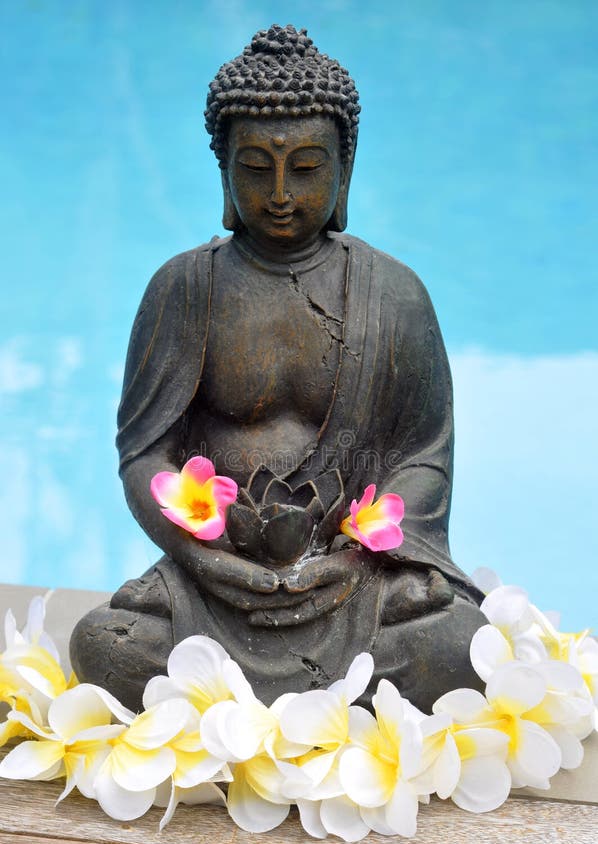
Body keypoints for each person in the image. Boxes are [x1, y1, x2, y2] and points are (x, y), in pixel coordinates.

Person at [70, 25, 486, 712]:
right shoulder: (184, 290)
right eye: (257, 169)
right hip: (216, 585)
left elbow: (424, 456)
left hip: (353, 579)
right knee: (106, 643)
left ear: (344, 170)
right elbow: (144, 453)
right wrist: (204, 558)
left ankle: (236, 706)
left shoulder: (397, 295)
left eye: (308, 168)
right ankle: (331, 705)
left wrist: (354, 556)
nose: (283, 194)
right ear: (225, 173)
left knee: (462, 647)